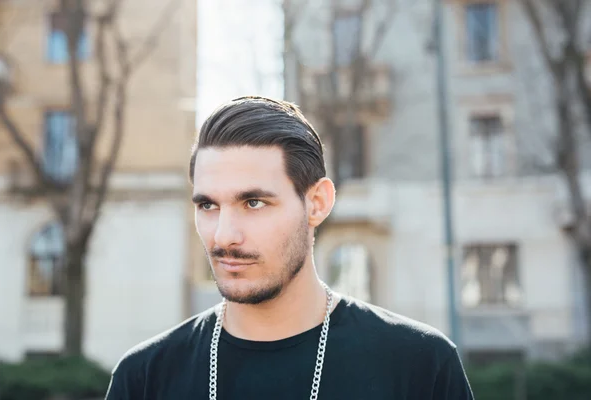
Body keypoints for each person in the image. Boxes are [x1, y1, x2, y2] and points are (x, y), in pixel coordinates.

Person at [105, 96, 475, 399]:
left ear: (317, 203)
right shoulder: (145, 377)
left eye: (254, 203)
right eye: (208, 206)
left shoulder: (420, 364)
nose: (223, 236)